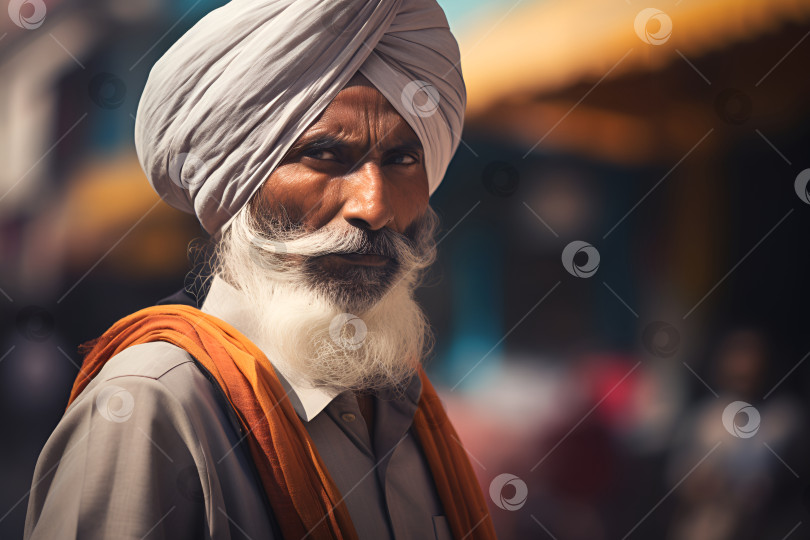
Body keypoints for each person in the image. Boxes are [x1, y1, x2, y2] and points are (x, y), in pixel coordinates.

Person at [23, 1, 495, 539]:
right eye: (325, 155)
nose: (375, 205)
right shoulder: (153, 404)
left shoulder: (398, 401)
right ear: (239, 183)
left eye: (402, 161)